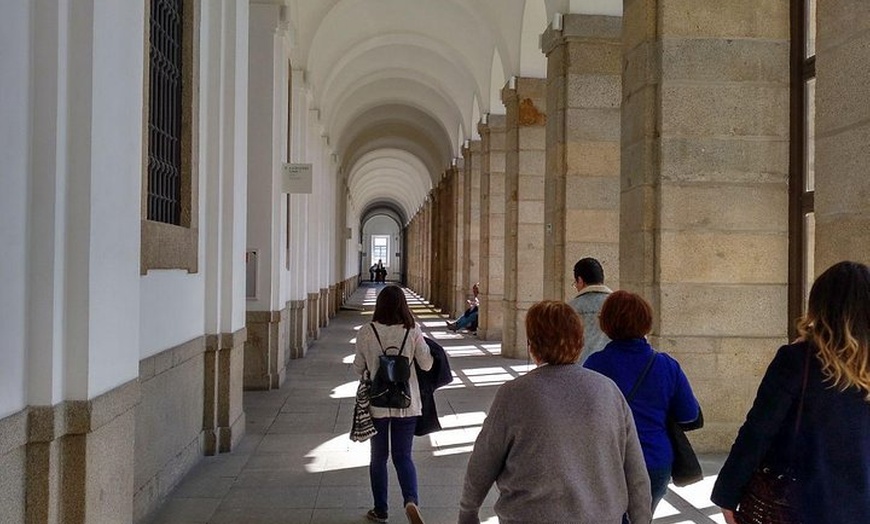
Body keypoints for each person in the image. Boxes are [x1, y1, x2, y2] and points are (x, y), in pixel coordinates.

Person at [459, 300, 652, 524]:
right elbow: (636, 473)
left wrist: (468, 511)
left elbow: (482, 463)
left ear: (532, 345)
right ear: (580, 342)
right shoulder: (608, 390)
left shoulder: (513, 394)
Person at [711, 260, 870, 524]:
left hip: (802, 504)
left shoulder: (798, 359)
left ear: (819, 305)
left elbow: (758, 430)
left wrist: (727, 494)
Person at [584, 290, 701, 512]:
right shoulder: (666, 365)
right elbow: (689, 415)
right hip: (654, 461)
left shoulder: (594, 364)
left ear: (606, 323)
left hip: (610, 461)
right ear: (647, 322)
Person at [353, 285, 434, 524]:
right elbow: (427, 364)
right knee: (403, 456)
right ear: (403, 305)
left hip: (377, 403)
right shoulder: (412, 330)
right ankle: (411, 501)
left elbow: (358, 367)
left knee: (378, 457)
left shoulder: (366, 331)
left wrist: (372, 364)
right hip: (407, 402)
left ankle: (380, 509)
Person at [569, 257, 613, 363]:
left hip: (580, 373)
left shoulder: (570, 309)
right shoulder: (620, 306)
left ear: (580, 280)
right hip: (612, 373)